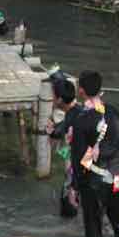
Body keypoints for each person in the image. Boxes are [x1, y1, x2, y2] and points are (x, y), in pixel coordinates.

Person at [70, 70, 119, 237]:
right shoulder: (113, 112)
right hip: (118, 177)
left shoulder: (81, 120)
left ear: (81, 91)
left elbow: (79, 158)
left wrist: (75, 186)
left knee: (94, 231)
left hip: (94, 182)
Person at [46, 74, 82, 218]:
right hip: (86, 170)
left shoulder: (71, 118)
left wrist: (52, 133)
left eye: (53, 96)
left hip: (76, 173)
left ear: (60, 99)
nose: (52, 99)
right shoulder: (78, 111)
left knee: (68, 209)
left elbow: (58, 138)